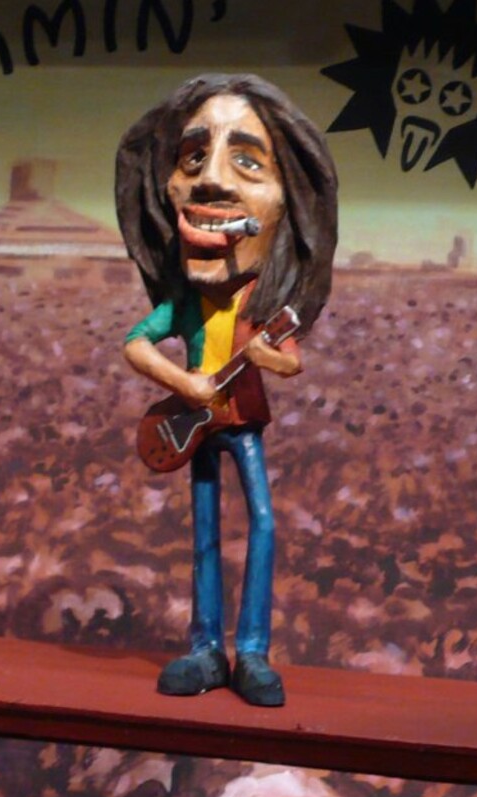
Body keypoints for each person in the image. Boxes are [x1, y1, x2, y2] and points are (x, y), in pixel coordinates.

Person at [116, 74, 337, 706]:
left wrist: (270, 356)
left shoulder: (263, 308)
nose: (211, 180)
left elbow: (287, 362)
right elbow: (136, 343)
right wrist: (184, 381)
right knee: (205, 532)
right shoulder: (186, 305)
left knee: (262, 523)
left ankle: (254, 650)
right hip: (198, 422)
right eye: (192, 158)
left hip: (242, 423)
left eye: (248, 161)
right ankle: (206, 645)